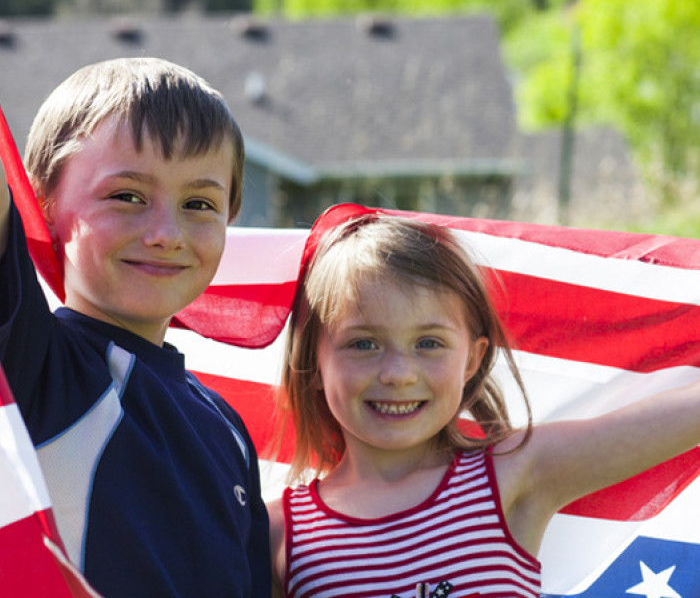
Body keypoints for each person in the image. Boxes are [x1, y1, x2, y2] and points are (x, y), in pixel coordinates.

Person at [267, 211, 700, 598]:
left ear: (472, 359)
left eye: (429, 343)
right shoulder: (277, 533)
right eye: (363, 343)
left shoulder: (515, 472)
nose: (398, 372)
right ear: (314, 363)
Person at [0, 58, 270, 598]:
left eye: (199, 203)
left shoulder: (228, 430)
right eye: (127, 196)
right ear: (41, 203)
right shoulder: (35, 365)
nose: (166, 233)